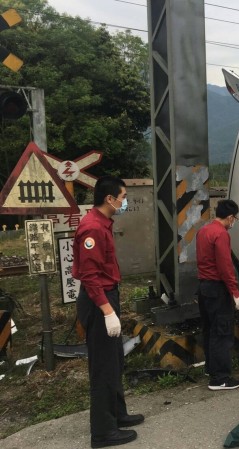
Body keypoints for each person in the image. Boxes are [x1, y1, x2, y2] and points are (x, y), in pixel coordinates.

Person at [73, 176, 143, 448]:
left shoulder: (103, 223)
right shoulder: (92, 228)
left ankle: (117, 415)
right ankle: (103, 433)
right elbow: (90, 277)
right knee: (103, 368)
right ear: (109, 199)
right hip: (98, 300)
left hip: (106, 296)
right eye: (123, 197)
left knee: (114, 361)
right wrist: (106, 311)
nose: (124, 202)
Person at [196, 199, 239, 390]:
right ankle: (220, 378)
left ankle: (211, 368)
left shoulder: (203, 231)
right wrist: (235, 291)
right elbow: (225, 267)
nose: (234, 222)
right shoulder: (221, 234)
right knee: (222, 332)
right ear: (230, 217)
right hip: (218, 289)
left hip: (204, 288)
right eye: (235, 219)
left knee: (209, 330)